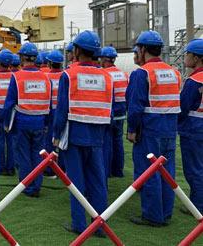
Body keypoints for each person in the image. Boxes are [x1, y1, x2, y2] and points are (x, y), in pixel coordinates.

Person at [52, 30, 113, 235]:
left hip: (73, 133)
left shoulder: (69, 74)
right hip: (97, 135)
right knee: (98, 180)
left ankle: (79, 224)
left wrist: (56, 134)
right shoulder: (106, 76)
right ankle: (101, 226)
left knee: (75, 182)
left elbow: (62, 110)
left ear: (76, 50)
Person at [126, 30, 181, 227]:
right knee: (167, 172)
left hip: (149, 129)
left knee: (149, 172)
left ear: (142, 49)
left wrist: (132, 129)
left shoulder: (142, 73)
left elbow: (135, 106)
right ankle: (166, 213)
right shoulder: (174, 72)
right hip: (169, 129)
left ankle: (152, 215)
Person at [3, 42, 50, 197]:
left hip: (22, 122)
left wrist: (6, 123)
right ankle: (37, 186)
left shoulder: (17, 77)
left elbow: (9, 102)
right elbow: (50, 101)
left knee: (23, 155)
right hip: (40, 122)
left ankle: (27, 186)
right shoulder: (45, 77)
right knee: (38, 155)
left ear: (22, 57)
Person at [179, 39, 203, 213]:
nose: (185, 57)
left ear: (196, 58)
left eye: (187, 54)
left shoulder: (194, 81)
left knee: (194, 169)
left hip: (194, 128)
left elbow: (183, 106)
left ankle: (197, 205)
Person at [100, 46, 128, 178]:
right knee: (118, 142)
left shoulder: (105, 75)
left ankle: (108, 170)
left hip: (110, 114)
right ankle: (118, 170)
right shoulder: (123, 74)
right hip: (121, 114)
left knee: (108, 143)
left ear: (104, 59)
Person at [44, 49, 65, 176]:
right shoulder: (65, 75)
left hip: (50, 111)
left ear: (50, 63)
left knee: (49, 141)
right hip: (63, 110)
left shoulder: (46, 77)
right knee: (63, 140)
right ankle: (62, 168)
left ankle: (49, 168)